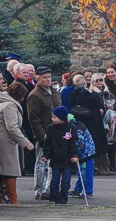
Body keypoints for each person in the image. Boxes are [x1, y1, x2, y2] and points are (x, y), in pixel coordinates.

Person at [26, 66, 61, 200]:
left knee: (53, 163)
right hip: (44, 133)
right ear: (38, 78)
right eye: (44, 77)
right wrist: (41, 136)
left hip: (57, 132)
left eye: (49, 77)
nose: (48, 80)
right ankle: (39, 190)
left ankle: (50, 188)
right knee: (41, 163)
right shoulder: (35, 95)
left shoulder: (54, 92)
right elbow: (34, 119)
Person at [69, 74, 107, 198]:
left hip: (80, 134)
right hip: (89, 136)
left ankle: (83, 188)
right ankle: (85, 189)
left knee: (83, 164)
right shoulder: (91, 98)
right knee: (86, 164)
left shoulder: (73, 98)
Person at [0, 82, 33, 204]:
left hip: (4, 140)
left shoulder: (3, 102)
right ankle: (13, 199)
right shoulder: (10, 105)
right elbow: (12, 127)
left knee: (2, 170)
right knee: (10, 170)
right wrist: (26, 142)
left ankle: (2, 198)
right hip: (6, 141)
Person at [42, 106, 79, 204]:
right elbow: (48, 144)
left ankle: (63, 199)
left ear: (62, 117)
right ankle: (53, 198)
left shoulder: (71, 128)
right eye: (52, 117)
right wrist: (46, 155)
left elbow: (74, 144)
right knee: (54, 181)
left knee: (66, 181)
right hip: (55, 159)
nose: (52, 119)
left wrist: (74, 155)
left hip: (67, 159)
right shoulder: (50, 128)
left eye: (55, 117)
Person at [88, 72, 114, 175]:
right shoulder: (92, 93)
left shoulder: (106, 93)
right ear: (93, 82)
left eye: (101, 80)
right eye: (96, 80)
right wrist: (99, 109)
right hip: (96, 121)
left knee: (105, 143)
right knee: (98, 143)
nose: (99, 82)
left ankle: (105, 166)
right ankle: (99, 166)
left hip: (106, 120)